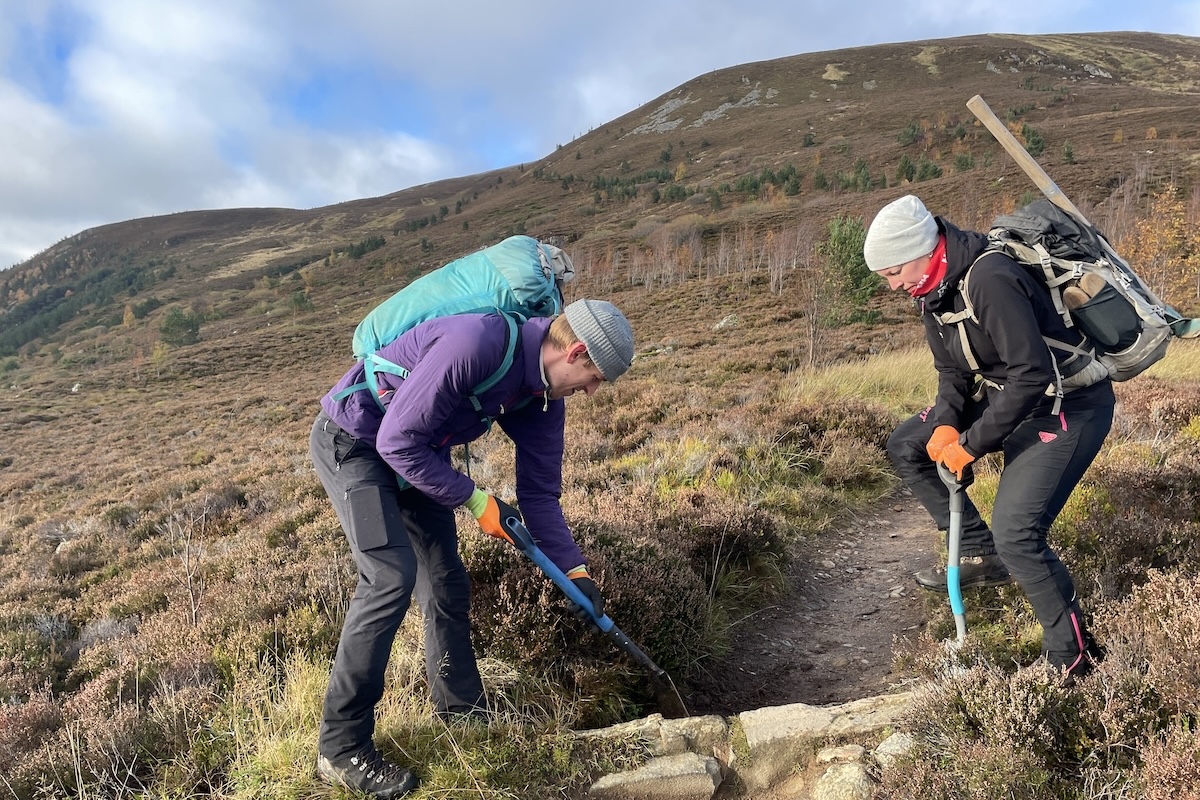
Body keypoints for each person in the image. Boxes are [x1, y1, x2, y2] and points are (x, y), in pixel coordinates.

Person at [309, 298, 634, 798]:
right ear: (576, 352)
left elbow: (540, 497)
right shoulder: (476, 344)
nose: (591, 391)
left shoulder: (543, 398)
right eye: (595, 378)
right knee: (389, 576)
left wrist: (577, 571)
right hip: (357, 442)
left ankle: (462, 713)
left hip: (419, 456)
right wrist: (475, 498)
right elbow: (395, 441)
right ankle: (341, 747)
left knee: (445, 582)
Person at [864, 194, 1110, 682]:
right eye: (886, 277)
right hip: (1011, 397)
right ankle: (981, 553)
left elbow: (1031, 375)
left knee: (1018, 535)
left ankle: (1075, 660)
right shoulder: (931, 291)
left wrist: (971, 445)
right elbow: (950, 371)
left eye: (894, 272)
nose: (893, 285)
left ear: (921, 247)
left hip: (1067, 405)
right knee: (907, 444)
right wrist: (947, 425)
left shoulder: (990, 276)